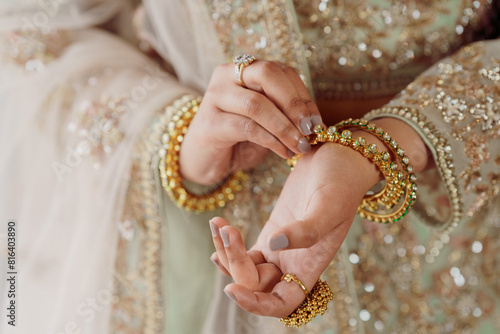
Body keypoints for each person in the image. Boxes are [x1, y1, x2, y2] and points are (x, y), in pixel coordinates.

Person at [0, 0, 499, 333]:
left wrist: (384, 143)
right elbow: (32, 38)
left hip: (459, 225)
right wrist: (179, 133)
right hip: (214, 238)